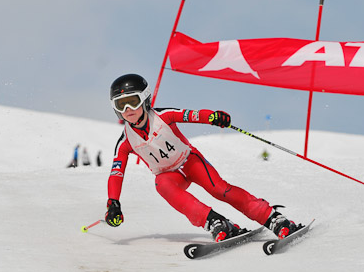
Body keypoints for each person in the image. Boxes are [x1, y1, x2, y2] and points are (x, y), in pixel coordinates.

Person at [104, 74, 301, 242]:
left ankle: (272, 218)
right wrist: (113, 203)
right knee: (161, 184)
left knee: (220, 190)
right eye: (121, 104)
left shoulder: (164, 116)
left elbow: (192, 115)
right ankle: (214, 221)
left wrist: (213, 117)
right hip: (169, 176)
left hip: (190, 162)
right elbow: (116, 173)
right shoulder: (125, 141)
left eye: (133, 101)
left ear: (145, 99)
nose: (128, 108)